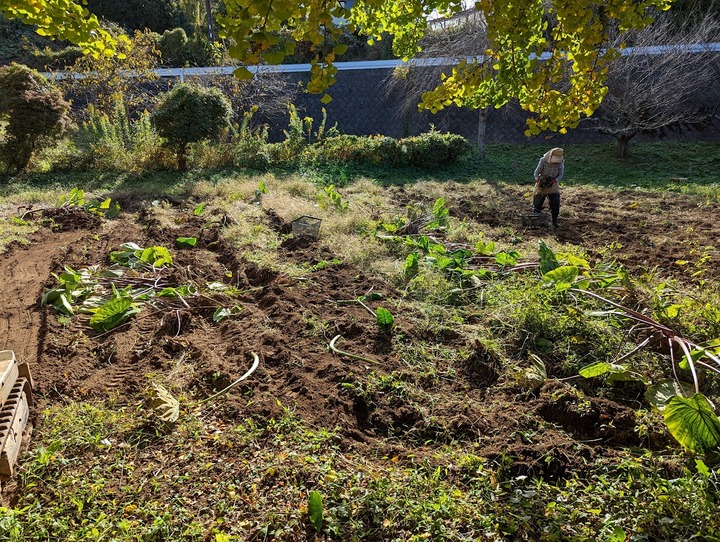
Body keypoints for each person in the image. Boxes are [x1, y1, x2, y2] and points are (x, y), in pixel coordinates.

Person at [532, 147, 564, 227]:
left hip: (553, 185)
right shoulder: (543, 160)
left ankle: (554, 221)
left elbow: (560, 174)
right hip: (542, 184)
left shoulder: (561, 162)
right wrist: (537, 180)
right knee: (537, 203)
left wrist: (555, 180)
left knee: (555, 203)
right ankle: (536, 221)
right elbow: (536, 172)